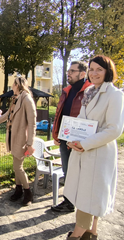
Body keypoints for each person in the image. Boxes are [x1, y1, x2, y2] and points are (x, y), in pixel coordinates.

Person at [64, 55, 124, 240]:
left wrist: (85, 143)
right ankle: (91, 233)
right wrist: (71, 138)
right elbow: (82, 121)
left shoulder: (115, 95)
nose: (94, 73)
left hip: (99, 153)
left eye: (99, 69)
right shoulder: (90, 91)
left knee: (89, 196)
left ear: (108, 71)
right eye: (91, 69)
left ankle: (76, 236)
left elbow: (114, 130)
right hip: (83, 150)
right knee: (91, 195)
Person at [0, 77, 36, 206]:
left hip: (21, 139)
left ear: (17, 85)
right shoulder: (16, 99)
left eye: (13, 84)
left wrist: (30, 143)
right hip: (13, 137)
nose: (11, 86)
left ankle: (28, 193)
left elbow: (32, 123)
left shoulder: (27, 99)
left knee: (18, 167)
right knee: (16, 167)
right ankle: (18, 190)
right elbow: (7, 115)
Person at [51, 61, 91, 212]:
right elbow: (59, 114)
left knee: (80, 174)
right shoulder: (66, 91)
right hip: (64, 139)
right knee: (67, 172)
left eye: (73, 71)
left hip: (80, 141)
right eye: (68, 71)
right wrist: (56, 134)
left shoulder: (89, 91)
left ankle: (82, 205)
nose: (69, 73)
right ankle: (68, 202)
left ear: (82, 74)